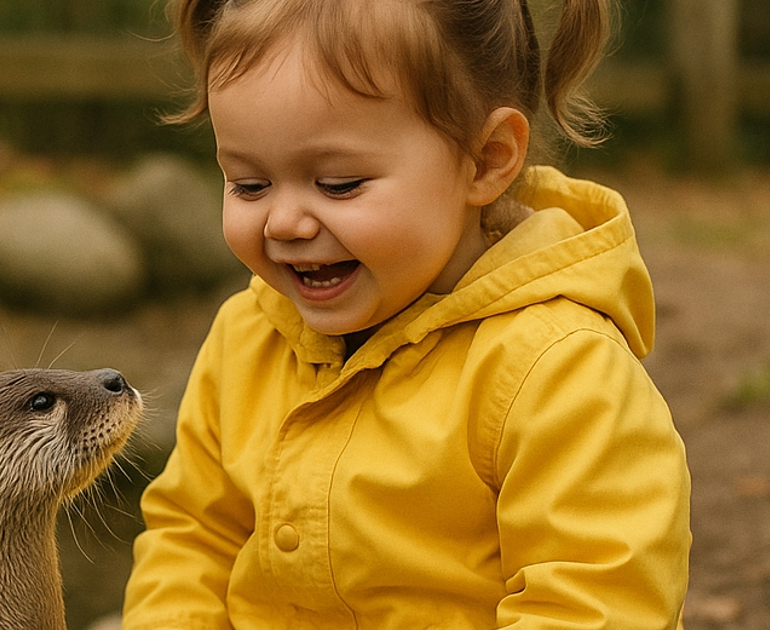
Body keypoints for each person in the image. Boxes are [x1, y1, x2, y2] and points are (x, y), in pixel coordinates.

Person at [121, 0, 691, 628]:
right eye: (249, 185)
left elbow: (596, 599)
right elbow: (192, 539)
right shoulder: (247, 336)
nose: (283, 222)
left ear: (486, 159)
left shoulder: (560, 372)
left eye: (339, 184)